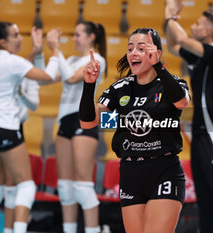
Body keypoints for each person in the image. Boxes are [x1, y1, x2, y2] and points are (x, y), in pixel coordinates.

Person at [79, 27, 190, 233]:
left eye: (141, 48)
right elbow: (88, 122)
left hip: (164, 169)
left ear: (155, 52)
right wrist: (89, 86)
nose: (134, 53)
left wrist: (159, 66)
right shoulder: (120, 89)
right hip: (130, 173)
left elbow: (181, 102)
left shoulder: (170, 84)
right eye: (130, 49)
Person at [164, 1, 213, 232]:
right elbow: (172, 46)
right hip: (200, 135)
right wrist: (168, 14)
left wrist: (171, 17)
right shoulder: (199, 58)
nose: (193, 26)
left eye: (198, 24)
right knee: (205, 198)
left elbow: (180, 39)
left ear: (207, 31)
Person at [0, 22, 59, 233]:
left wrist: (34, 52)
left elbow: (18, 68)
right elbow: (48, 76)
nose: (20, 38)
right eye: (15, 35)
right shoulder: (12, 62)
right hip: (5, 128)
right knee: (26, 185)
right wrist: (54, 51)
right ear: (3, 42)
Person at [43, 21, 106, 233]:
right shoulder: (70, 59)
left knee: (82, 184)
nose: (74, 38)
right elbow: (48, 77)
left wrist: (55, 48)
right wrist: (37, 50)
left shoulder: (97, 59)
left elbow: (70, 78)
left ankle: (92, 230)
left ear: (91, 38)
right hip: (65, 121)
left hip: (83, 120)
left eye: (78, 34)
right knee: (65, 186)